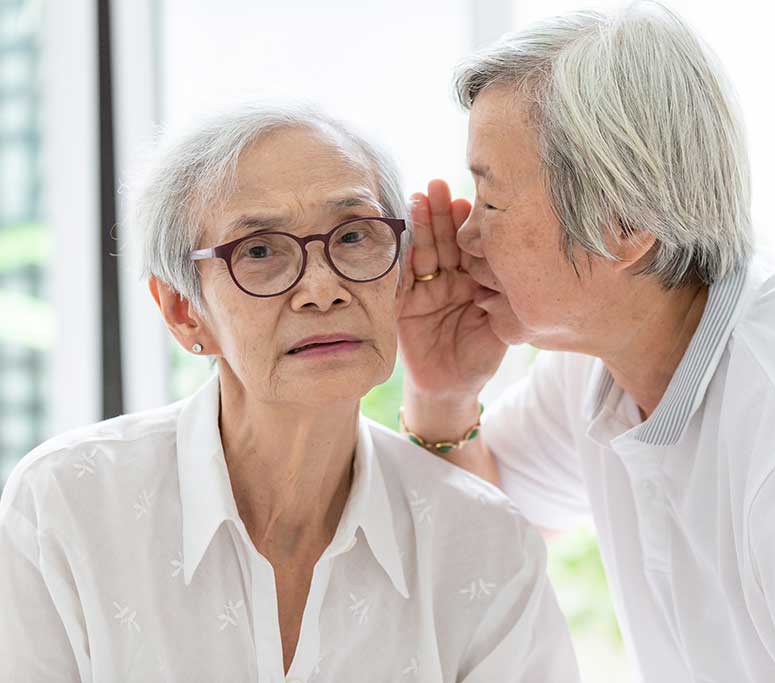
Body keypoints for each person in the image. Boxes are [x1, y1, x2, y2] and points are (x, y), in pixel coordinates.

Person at [396, 4, 775, 681]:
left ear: (625, 224)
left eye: (490, 201)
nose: (463, 237)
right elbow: (483, 536)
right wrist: (444, 394)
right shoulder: (605, 364)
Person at [0, 105, 580, 682]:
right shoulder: (68, 504)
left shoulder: (486, 543)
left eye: (354, 236)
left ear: (400, 275)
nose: (322, 289)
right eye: (259, 251)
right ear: (183, 313)